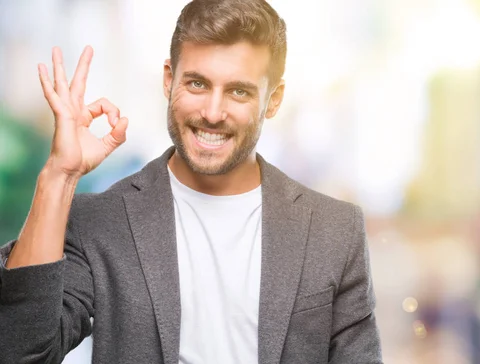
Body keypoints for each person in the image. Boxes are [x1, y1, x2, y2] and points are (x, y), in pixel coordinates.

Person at [0, 0, 382, 363]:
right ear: (169, 80)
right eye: (197, 84)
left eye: (238, 91)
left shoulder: (335, 231)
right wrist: (58, 176)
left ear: (274, 99)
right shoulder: (101, 222)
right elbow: (20, 351)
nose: (212, 113)